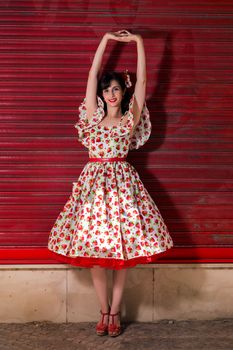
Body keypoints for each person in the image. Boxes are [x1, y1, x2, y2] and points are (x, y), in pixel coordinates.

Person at [47, 30, 174, 337]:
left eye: (116, 89)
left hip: (122, 188)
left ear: (122, 93)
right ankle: (102, 309)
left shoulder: (130, 119)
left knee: (122, 254)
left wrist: (139, 43)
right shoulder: (92, 117)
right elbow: (92, 76)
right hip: (92, 189)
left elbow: (142, 83)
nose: (111, 94)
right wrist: (105, 40)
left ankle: (115, 312)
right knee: (95, 254)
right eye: (107, 90)